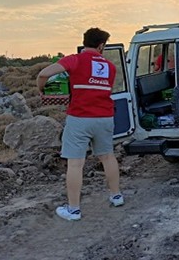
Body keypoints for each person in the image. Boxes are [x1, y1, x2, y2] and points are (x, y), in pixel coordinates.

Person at [36, 27, 124, 221]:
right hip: (105, 117)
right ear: (101, 45)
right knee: (108, 157)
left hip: (80, 118)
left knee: (75, 164)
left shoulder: (74, 59)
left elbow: (44, 74)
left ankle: (74, 209)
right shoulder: (110, 66)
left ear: (84, 42)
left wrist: (42, 90)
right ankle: (116, 196)